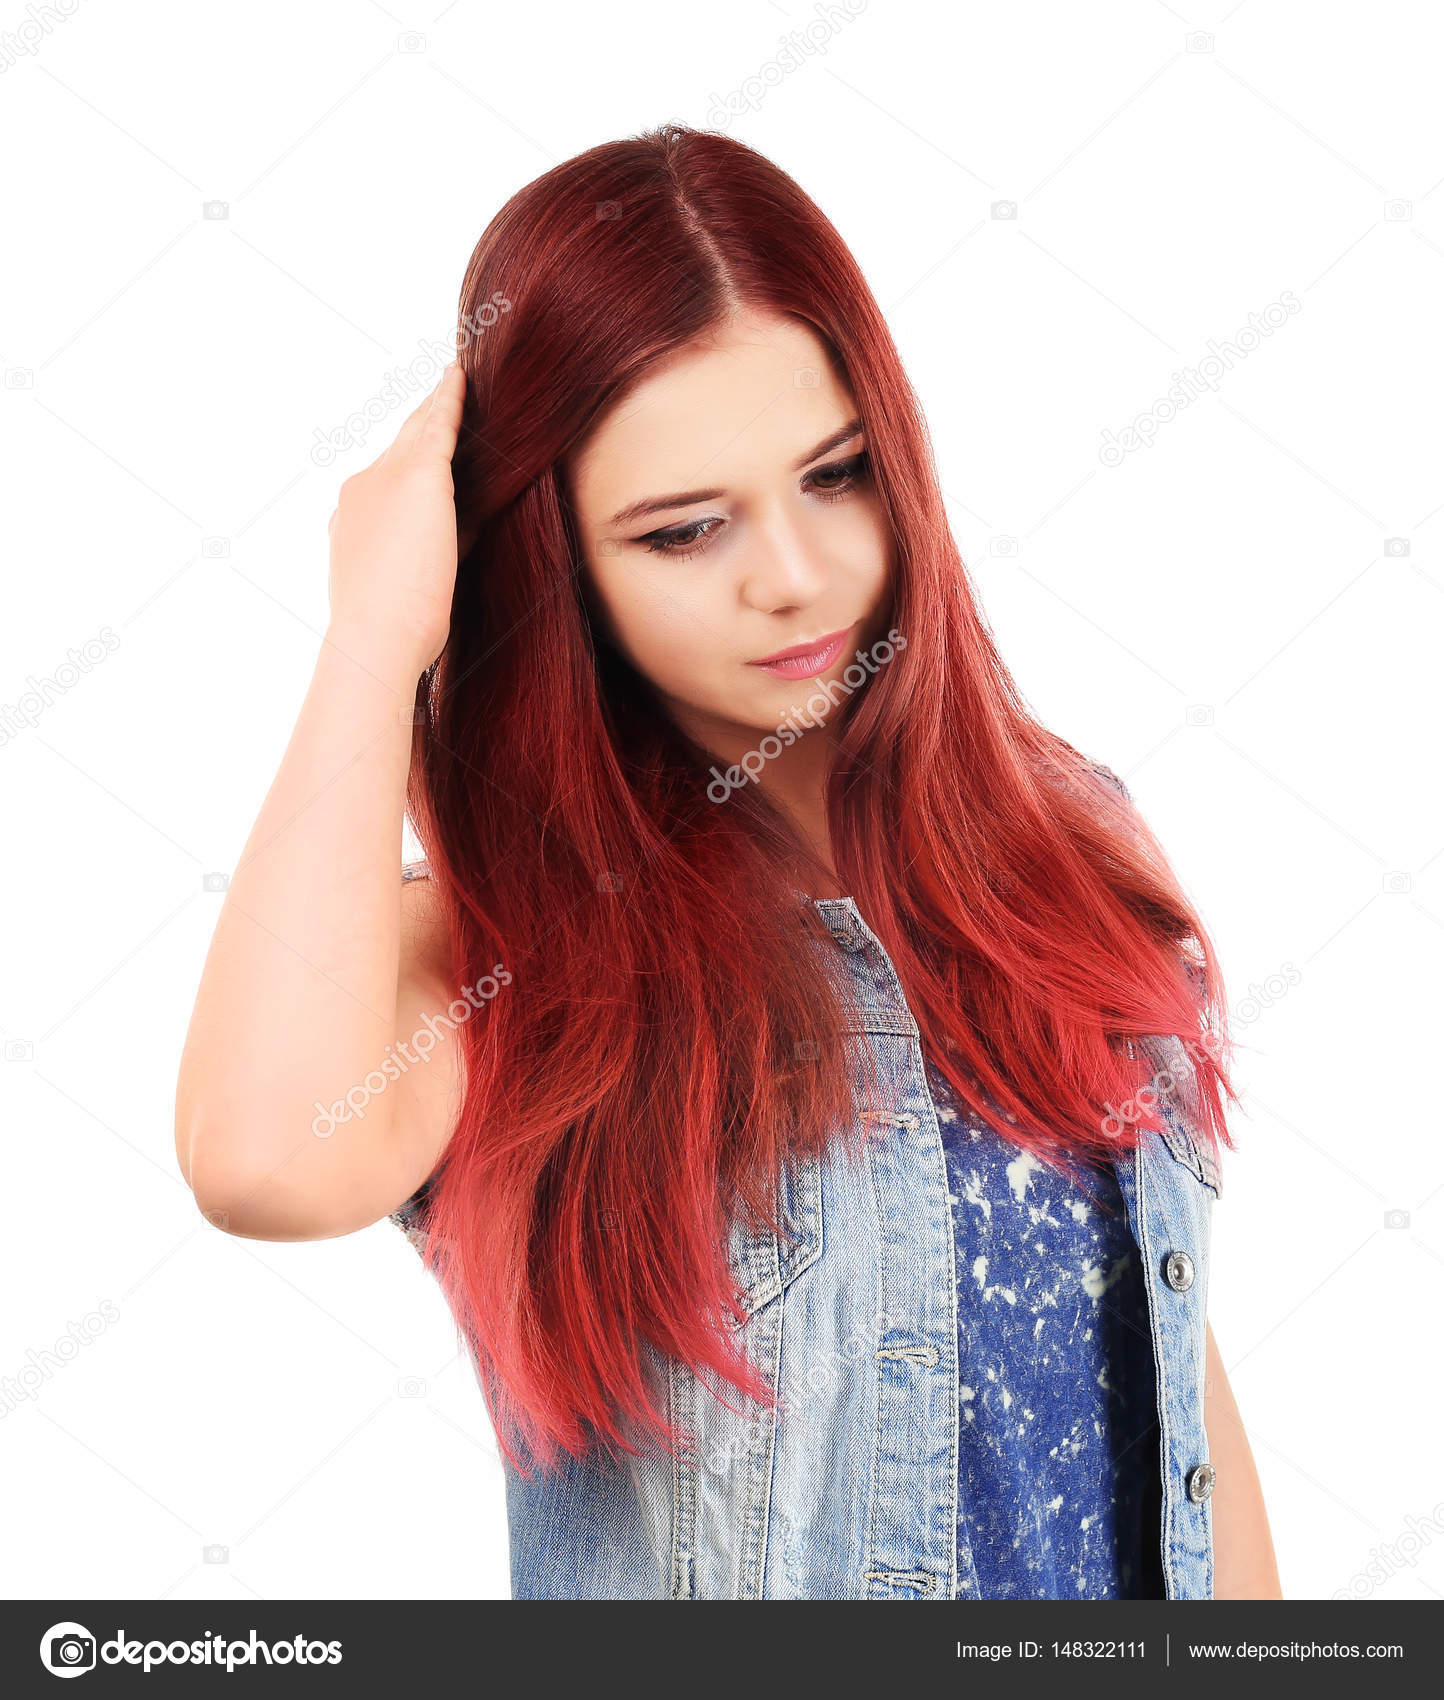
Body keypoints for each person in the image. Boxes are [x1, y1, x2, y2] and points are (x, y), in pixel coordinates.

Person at [174, 124, 1280, 1601]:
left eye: (834, 475)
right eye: (685, 529)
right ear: (550, 561)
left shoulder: (1063, 843)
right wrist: (374, 634)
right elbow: (261, 1163)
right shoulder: (505, 960)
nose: (794, 576)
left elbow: (1173, 1384)